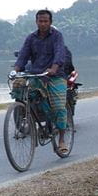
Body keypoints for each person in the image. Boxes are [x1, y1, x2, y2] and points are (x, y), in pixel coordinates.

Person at [14, 9, 70, 155]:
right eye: (40, 21)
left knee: (58, 107)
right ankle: (33, 120)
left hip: (55, 75)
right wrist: (16, 69)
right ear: (36, 22)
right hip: (36, 74)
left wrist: (54, 67)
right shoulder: (31, 38)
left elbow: (60, 53)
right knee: (23, 92)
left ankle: (62, 139)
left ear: (50, 22)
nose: (43, 23)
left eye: (46, 21)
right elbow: (23, 55)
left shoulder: (57, 36)